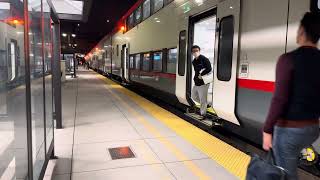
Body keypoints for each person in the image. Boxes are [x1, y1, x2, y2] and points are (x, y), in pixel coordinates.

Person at [263, 12, 320, 180]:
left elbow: (279, 99)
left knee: (285, 174)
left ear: (302, 31)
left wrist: (267, 129)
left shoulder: (287, 59)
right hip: (312, 129)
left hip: (289, 130)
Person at [191, 45, 212, 120]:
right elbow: (196, 71)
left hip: (204, 82)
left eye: (197, 50)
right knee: (193, 96)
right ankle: (206, 105)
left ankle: (203, 114)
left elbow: (209, 68)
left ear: (199, 51)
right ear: (192, 53)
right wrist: (196, 78)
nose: (195, 52)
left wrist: (202, 75)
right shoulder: (193, 62)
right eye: (194, 51)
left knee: (202, 99)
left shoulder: (204, 59)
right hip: (197, 82)